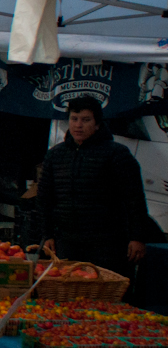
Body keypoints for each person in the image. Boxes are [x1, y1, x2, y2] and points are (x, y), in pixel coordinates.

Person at [39, 97, 163, 277]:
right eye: (74, 119)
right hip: (67, 242)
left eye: (86, 120)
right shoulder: (55, 156)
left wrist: (137, 238)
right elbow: (45, 198)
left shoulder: (117, 154)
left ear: (97, 124)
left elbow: (134, 199)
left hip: (108, 244)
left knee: (107, 297)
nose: (78, 125)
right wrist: (47, 235)